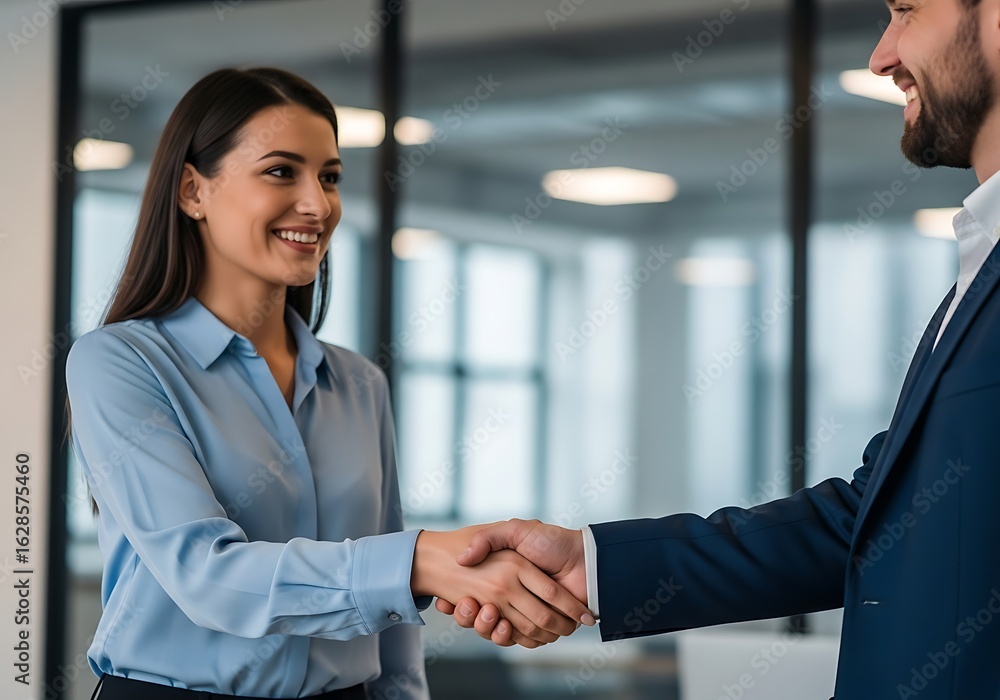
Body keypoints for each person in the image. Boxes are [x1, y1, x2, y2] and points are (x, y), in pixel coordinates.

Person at [435, 0, 1000, 697]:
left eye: (907, 10)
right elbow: (870, 520)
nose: (881, 56)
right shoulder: (977, 266)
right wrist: (594, 565)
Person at [65, 67, 594, 700]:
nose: (318, 205)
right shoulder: (119, 363)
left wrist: (421, 600)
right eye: (280, 171)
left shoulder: (359, 383)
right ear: (192, 191)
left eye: (330, 177)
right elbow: (205, 576)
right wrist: (421, 562)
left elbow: (393, 629)